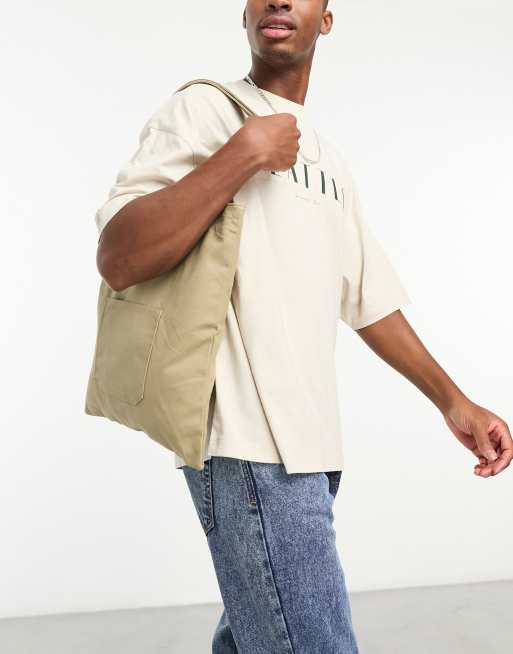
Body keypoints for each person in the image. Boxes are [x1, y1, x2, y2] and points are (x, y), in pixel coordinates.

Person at [93, 1, 513, 652]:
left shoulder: (329, 159)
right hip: (246, 443)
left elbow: (367, 296)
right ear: (244, 15)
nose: (279, 0)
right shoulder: (203, 110)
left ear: (327, 19)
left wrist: (453, 401)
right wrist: (242, 154)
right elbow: (120, 256)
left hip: (313, 451)